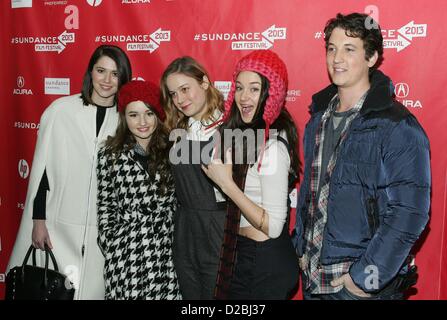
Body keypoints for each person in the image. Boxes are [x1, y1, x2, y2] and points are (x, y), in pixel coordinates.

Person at [292, 13, 431, 300]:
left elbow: (410, 213)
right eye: (331, 48)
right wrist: (300, 249)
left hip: (357, 286)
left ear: (372, 57)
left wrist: (365, 279)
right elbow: (312, 194)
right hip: (313, 279)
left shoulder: (397, 125)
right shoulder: (316, 121)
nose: (337, 58)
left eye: (349, 49)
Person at [7, 45, 132, 299]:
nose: (107, 80)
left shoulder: (126, 121)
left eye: (115, 74)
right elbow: (41, 172)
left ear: (123, 79)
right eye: (101, 71)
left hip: (102, 234)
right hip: (56, 227)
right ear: (90, 72)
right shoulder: (60, 111)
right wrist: (38, 221)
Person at [202, 50, 300, 299]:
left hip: (265, 260)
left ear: (271, 93)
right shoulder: (241, 139)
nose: (244, 97)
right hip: (241, 254)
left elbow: (274, 227)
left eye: (254, 89)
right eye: (240, 88)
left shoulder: (273, 147)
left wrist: (227, 185)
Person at [96, 80, 181, 300]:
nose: (142, 122)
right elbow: (106, 204)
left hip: (166, 252)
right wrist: (112, 243)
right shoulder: (110, 154)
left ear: (157, 115)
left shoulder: (173, 150)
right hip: (127, 253)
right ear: (124, 117)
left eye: (149, 113)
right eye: (134, 115)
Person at [160, 56, 226, 299]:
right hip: (185, 231)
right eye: (173, 94)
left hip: (218, 232)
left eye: (185, 89)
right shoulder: (175, 132)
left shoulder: (230, 129)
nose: (179, 100)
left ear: (205, 83)